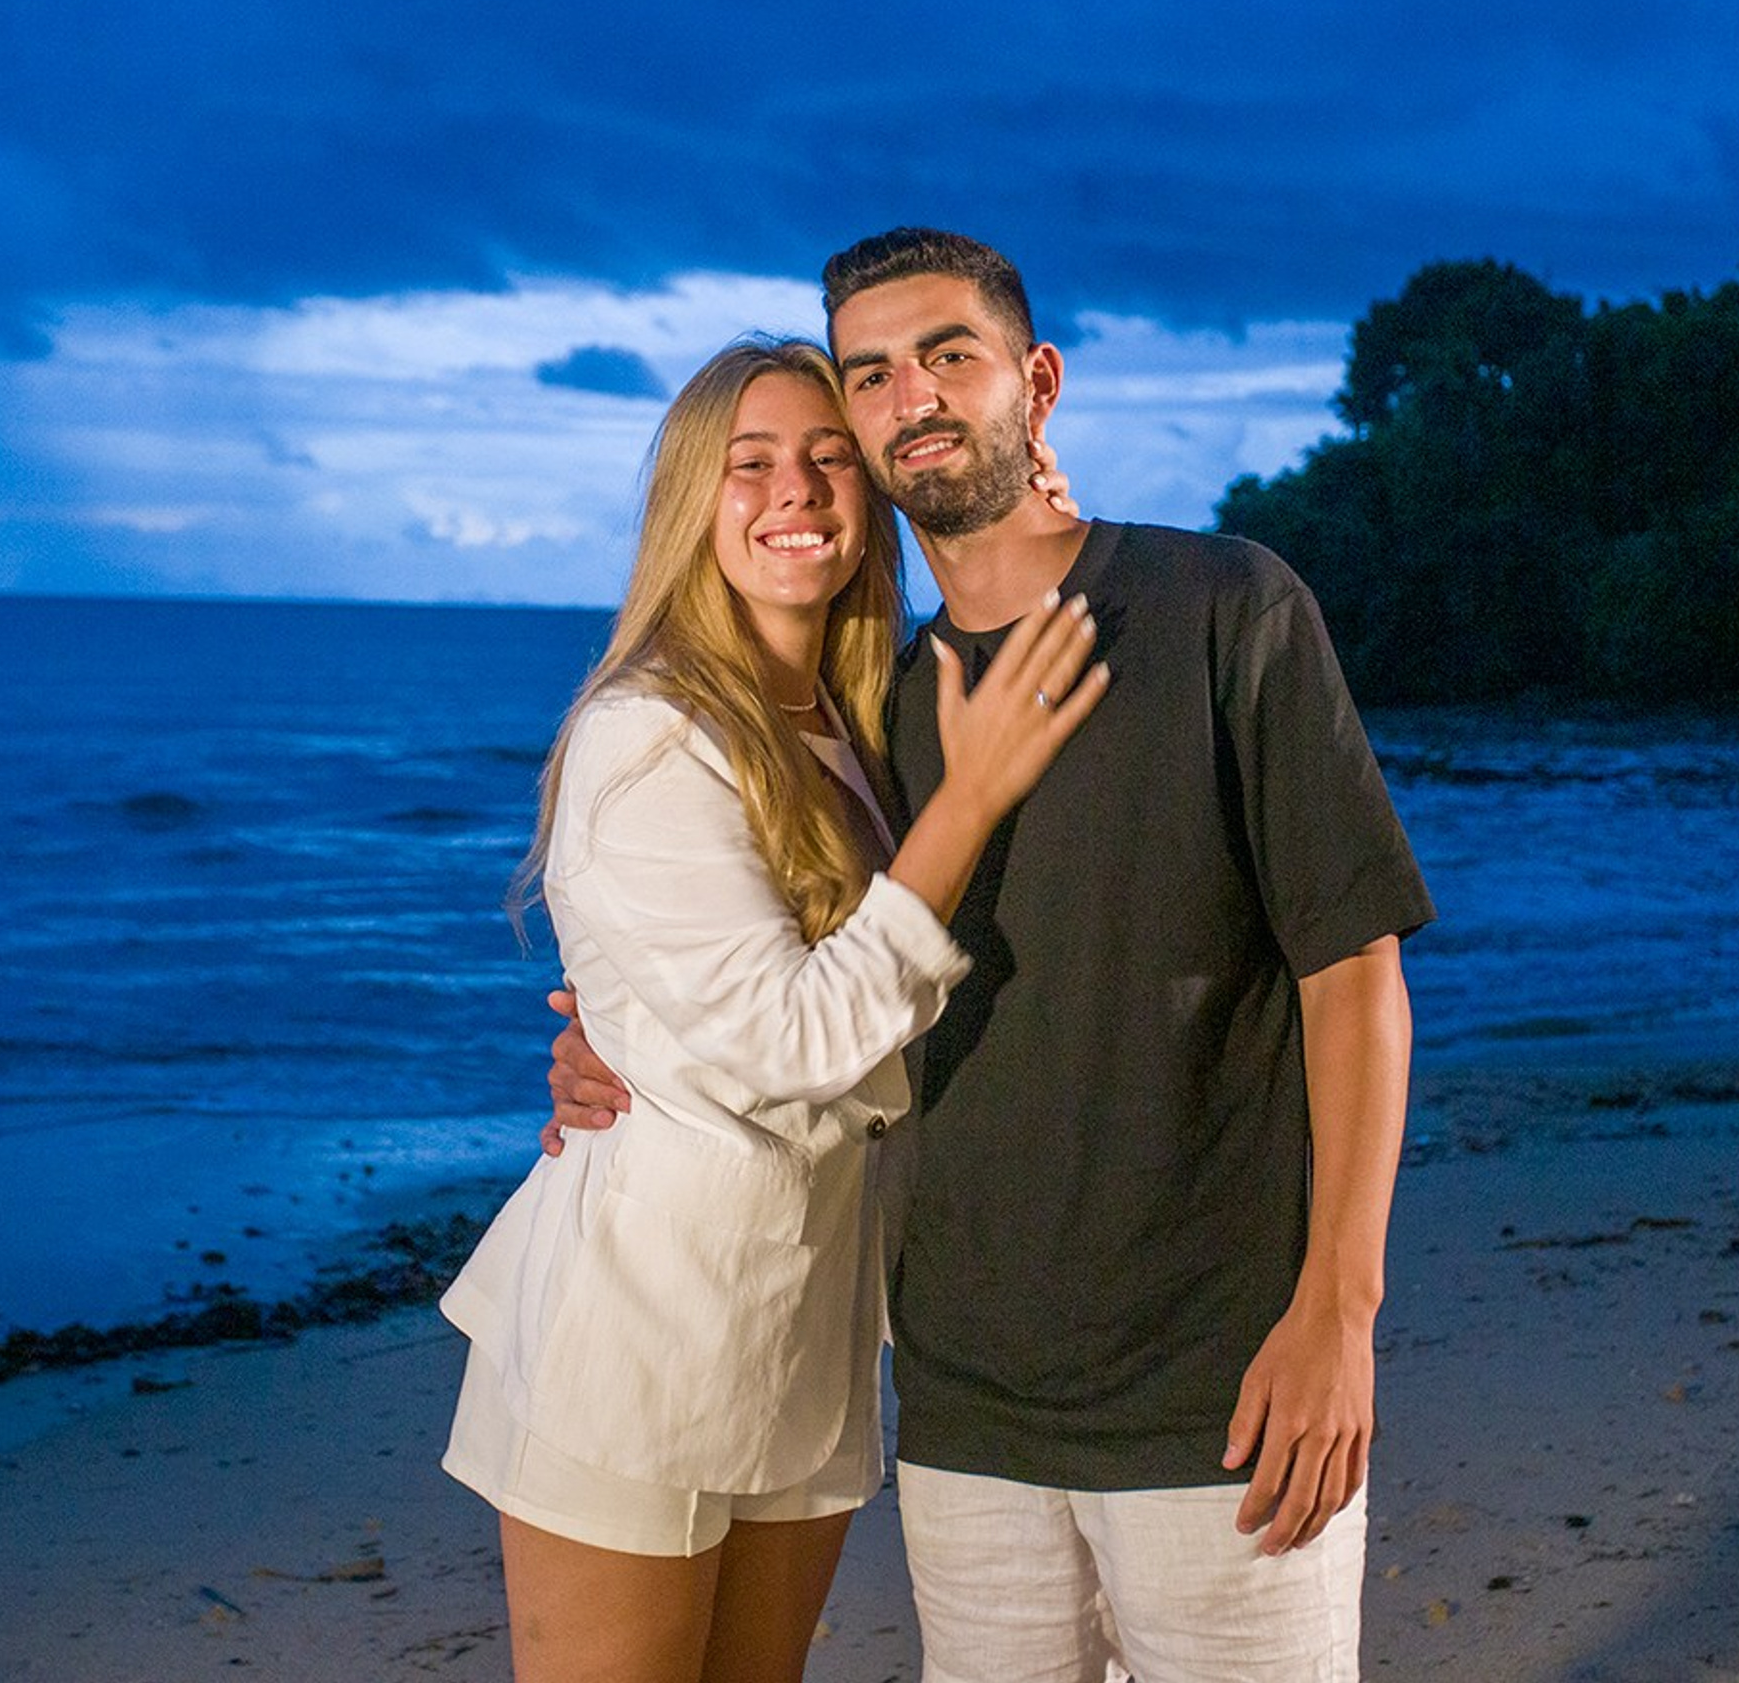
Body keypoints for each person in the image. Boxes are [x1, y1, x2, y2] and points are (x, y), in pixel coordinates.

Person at [546, 230, 1437, 1682]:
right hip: (960, 1415)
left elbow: (1355, 979)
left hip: (1220, 1393)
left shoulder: (1224, 608)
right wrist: (615, 1047)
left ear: (1037, 380)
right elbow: (791, 1000)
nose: (915, 397)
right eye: (874, 373)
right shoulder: (872, 718)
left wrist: (1341, 1310)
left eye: (950, 352)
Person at [438, 334, 1108, 1683]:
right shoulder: (649, 735)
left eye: (824, 460)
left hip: (800, 1343)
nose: (794, 490)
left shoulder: (863, 730)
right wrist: (972, 798)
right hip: (636, 1341)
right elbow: (790, 1040)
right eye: (749, 466)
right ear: (695, 505)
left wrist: (1046, 507)